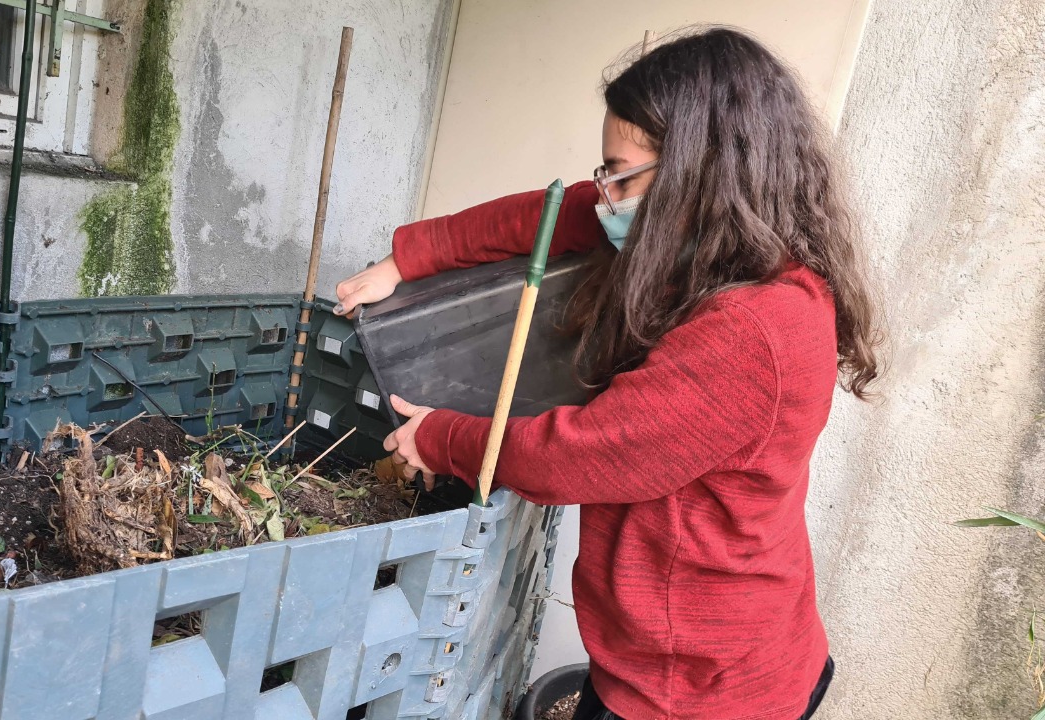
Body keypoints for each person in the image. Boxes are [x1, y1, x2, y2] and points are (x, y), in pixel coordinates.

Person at [332, 26, 880, 720]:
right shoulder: (721, 250)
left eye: (620, 175)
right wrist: (410, 258)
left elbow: (580, 456)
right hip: (711, 648)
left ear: (698, 171)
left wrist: (443, 438)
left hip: (696, 691)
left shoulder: (753, 332)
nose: (606, 195)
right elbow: (548, 213)